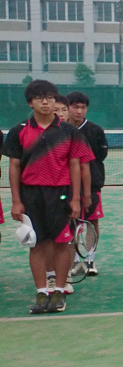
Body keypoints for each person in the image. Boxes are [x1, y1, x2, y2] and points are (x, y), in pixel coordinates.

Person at [3, 80, 95, 314]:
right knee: (37, 244)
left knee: (62, 244)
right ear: (30, 102)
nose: (46, 102)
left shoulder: (69, 131)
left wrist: (76, 198)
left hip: (61, 194)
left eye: (50, 97)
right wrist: (16, 201)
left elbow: (75, 165)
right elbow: (14, 167)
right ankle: (42, 292)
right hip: (31, 194)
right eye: (40, 98)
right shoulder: (18, 131)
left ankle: (59, 292)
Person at [64, 91, 108, 277]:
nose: (79, 111)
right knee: (69, 225)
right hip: (66, 187)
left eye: (83, 107)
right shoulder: (61, 130)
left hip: (92, 187)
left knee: (92, 223)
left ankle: (90, 260)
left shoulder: (95, 130)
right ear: (68, 108)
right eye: (75, 107)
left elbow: (101, 155)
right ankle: (74, 262)